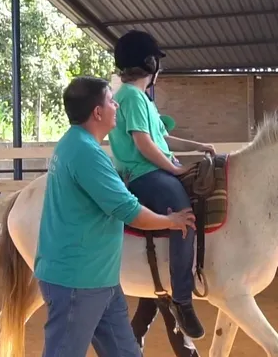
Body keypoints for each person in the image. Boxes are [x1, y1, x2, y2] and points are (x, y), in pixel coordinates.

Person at [34, 76, 197, 357]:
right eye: (111, 100)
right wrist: (172, 222)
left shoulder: (74, 144)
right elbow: (130, 212)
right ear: (97, 112)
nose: (116, 105)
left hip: (100, 281)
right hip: (78, 283)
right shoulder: (87, 153)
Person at [107, 30, 215, 339]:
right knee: (185, 217)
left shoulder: (139, 98)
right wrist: (175, 169)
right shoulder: (132, 96)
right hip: (143, 174)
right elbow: (143, 144)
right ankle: (181, 299)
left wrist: (196, 145)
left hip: (152, 168)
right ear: (150, 63)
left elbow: (161, 137)